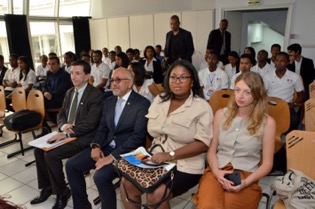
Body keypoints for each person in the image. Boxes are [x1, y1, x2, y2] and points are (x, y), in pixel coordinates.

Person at [120, 60, 213, 209]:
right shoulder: (160, 100)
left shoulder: (201, 107)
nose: (177, 81)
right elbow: (151, 132)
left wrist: (170, 154)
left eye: (183, 77)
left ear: (192, 81)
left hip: (186, 163)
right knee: (126, 184)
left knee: (156, 194)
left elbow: (202, 144)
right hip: (156, 155)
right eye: (173, 77)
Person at [65, 68, 151, 209]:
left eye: (118, 80)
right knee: (71, 165)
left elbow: (137, 138)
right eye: (112, 80)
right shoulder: (109, 101)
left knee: (100, 176)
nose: (114, 83)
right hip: (107, 145)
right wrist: (96, 146)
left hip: (131, 153)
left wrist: (111, 157)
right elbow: (102, 128)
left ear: (130, 83)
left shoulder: (142, 104)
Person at [195, 71, 276, 209]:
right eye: (237, 90)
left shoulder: (267, 122)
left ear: (256, 95)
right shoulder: (221, 114)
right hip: (217, 170)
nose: (240, 96)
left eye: (247, 92)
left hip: (247, 175)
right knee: (208, 205)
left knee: (230, 205)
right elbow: (212, 150)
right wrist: (216, 171)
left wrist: (246, 182)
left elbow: (267, 164)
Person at [30, 60, 104, 209]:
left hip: (83, 137)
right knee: (39, 151)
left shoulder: (95, 95)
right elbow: (61, 113)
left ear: (87, 75)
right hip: (66, 132)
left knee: (51, 155)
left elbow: (90, 123)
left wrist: (68, 134)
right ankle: (48, 187)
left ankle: (62, 192)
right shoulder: (70, 92)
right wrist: (63, 126)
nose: (73, 76)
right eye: (72, 73)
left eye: (78, 73)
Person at [263, 52, 304, 132]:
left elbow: (301, 95)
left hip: (286, 106)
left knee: (294, 120)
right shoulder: (267, 76)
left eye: (282, 61)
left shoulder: (295, 77)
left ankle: (286, 139)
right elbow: (262, 93)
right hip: (270, 105)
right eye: (277, 60)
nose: (279, 63)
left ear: (288, 62)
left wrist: (294, 104)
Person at [41, 56, 72, 122]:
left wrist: (49, 94)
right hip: (49, 97)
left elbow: (59, 91)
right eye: (49, 64)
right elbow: (44, 86)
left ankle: (43, 123)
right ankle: (43, 122)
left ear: (58, 64)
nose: (51, 66)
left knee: (39, 102)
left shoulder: (64, 75)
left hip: (60, 99)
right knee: (35, 99)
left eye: (53, 64)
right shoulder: (49, 73)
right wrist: (45, 92)